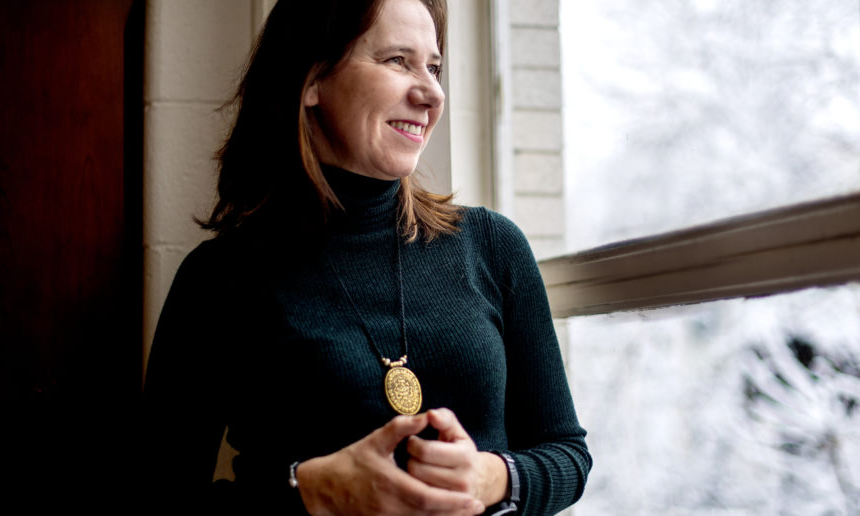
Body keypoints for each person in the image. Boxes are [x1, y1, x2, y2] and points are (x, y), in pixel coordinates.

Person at [143, 0, 591, 514]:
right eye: (398, 61)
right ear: (311, 80)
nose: (432, 93)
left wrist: (493, 476)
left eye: (435, 67)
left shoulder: (492, 246)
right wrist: (312, 490)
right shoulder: (219, 280)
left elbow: (567, 455)